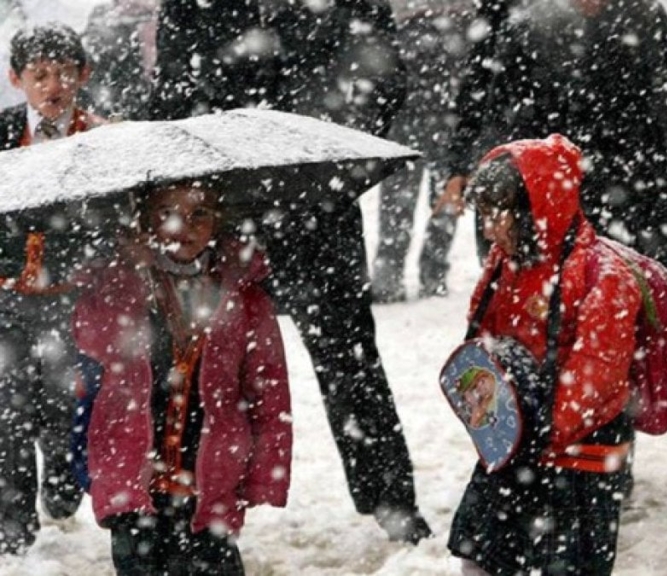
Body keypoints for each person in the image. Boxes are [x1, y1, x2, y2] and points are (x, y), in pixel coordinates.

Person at [151, 0, 433, 543]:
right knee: (203, 365)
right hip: (224, 213)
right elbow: (171, 94)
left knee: (350, 361)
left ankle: (392, 501)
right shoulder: (190, 7)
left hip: (316, 207)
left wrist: (336, 156)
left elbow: (385, 77)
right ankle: (198, 500)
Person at [71, 181, 292, 575]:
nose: (183, 226)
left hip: (211, 475)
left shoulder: (242, 294)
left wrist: (264, 472)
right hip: (133, 472)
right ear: (145, 221)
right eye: (166, 213)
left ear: (218, 222)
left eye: (200, 214)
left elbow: (269, 389)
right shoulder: (123, 283)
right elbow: (90, 338)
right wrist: (126, 276)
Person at [448, 134, 642, 575]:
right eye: (483, 216)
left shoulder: (603, 275)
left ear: (536, 209)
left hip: (577, 458)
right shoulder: (506, 262)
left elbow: (596, 379)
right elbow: (484, 341)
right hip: (519, 449)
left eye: (498, 216)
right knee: (482, 560)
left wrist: (534, 431)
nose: (488, 230)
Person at [438, 0, 667, 279]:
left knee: (650, 309)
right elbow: (484, 101)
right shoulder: (517, 16)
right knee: (562, 313)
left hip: (638, 191)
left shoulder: (640, 12)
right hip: (556, 196)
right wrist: (461, 164)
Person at [0, 23, 103, 554]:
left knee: (65, 412)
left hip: (73, 302)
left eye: (64, 72)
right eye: (39, 75)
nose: (53, 85)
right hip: (6, 301)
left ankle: (62, 487)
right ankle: (11, 532)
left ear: (83, 74)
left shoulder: (106, 139)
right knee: (6, 413)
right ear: (17, 80)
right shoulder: (0, 136)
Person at [370, 0, 476, 303]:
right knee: (413, 187)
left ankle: (416, 270)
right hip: (425, 63)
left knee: (437, 186)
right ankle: (416, 270)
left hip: (435, 58)